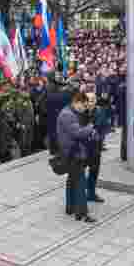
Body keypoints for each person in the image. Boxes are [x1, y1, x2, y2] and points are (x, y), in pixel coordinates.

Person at [57, 91, 97, 222]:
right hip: (73, 153)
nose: (84, 109)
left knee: (72, 180)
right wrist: (90, 127)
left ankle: (70, 207)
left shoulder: (69, 112)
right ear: (77, 102)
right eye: (84, 106)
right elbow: (78, 133)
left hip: (71, 152)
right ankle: (82, 213)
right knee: (80, 183)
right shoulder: (68, 115)